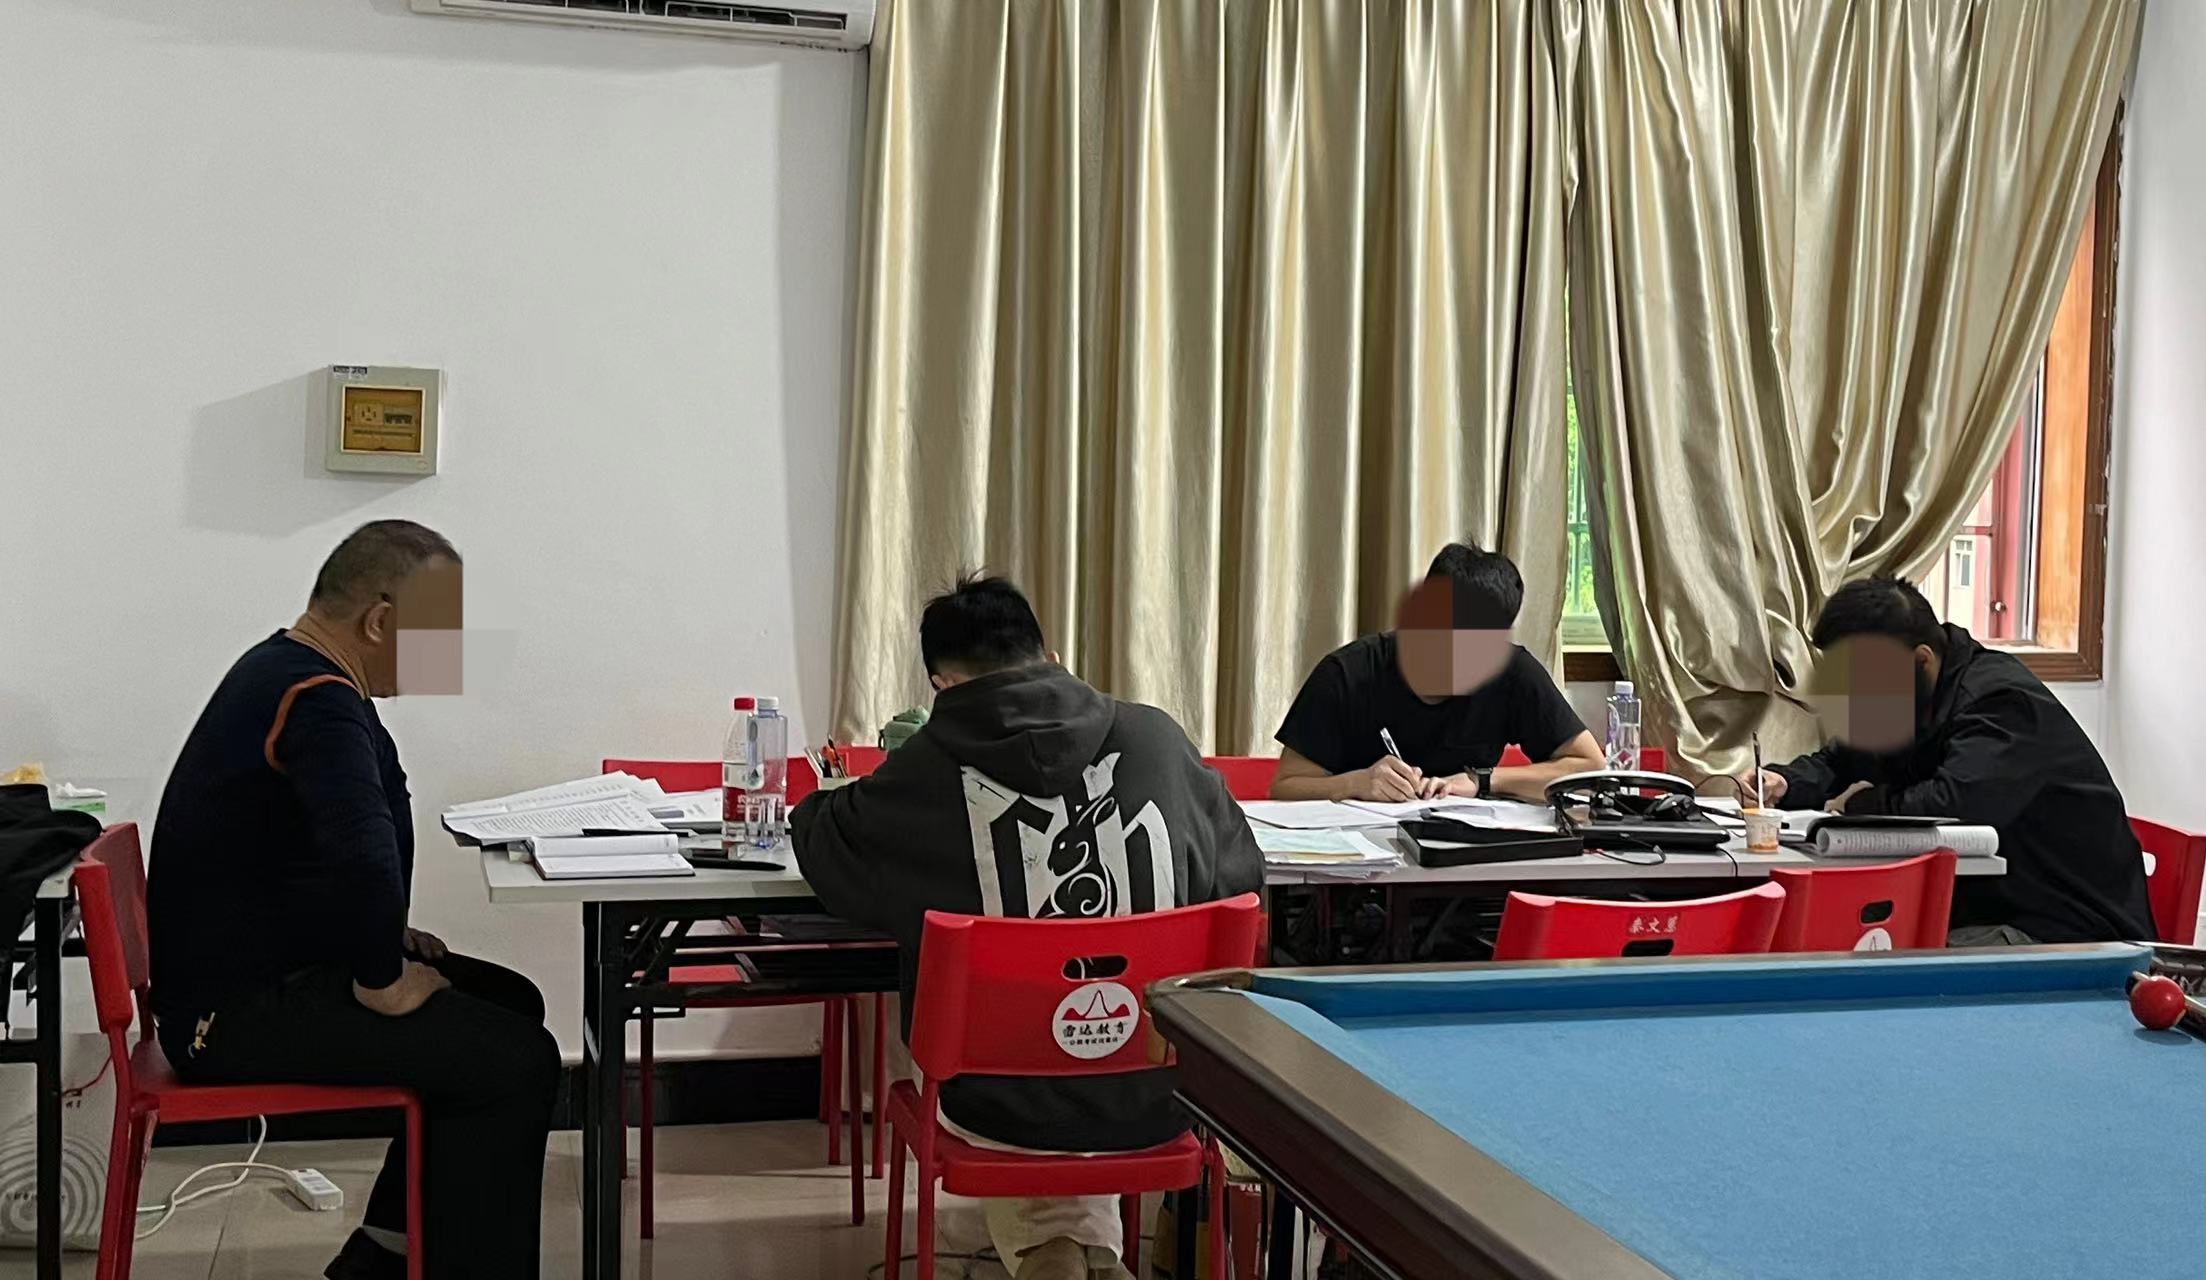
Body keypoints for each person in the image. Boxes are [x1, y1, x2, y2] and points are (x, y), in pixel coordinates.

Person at [792, 575, 1263, 1280]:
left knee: (1011, 1047)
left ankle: (1053, 1255)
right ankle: (1084, 1253)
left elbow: (827, 846)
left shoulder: (923, 770)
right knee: (1081, 1056)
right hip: (1160, 1089)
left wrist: (822, 800)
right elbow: (1243, 877)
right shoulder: (1160, 740)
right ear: (1051, 657)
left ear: (943, 685)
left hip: (998, 1106)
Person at [147, 520, 558, 1280]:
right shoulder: (318, 698)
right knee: (516, 1060)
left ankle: (388, 1251)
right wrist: (382, 978)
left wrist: (382, 938)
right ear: (379, 621)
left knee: (510, 1003)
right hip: (228, 1018)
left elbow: (296, 858)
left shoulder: (287, 671)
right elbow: (361, 851)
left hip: (250, 980)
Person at [1746, 575, 2152, 945]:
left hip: (2066, 928)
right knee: (1830, 939)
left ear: (1921, 661)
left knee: (1875, 966)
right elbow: (1845, 759)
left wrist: (1860, 804)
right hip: (1985, 908)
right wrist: (1785, 782)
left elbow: (1952, 805)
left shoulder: (2002, 703)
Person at [1270, 542, 1605, 803]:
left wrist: (1481, 780)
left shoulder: (1513, 672)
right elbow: (1285, 787)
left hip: (1470, 859)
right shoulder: (1348, 673)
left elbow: (1590, 768)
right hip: (1360, 860)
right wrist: (1355, 784)